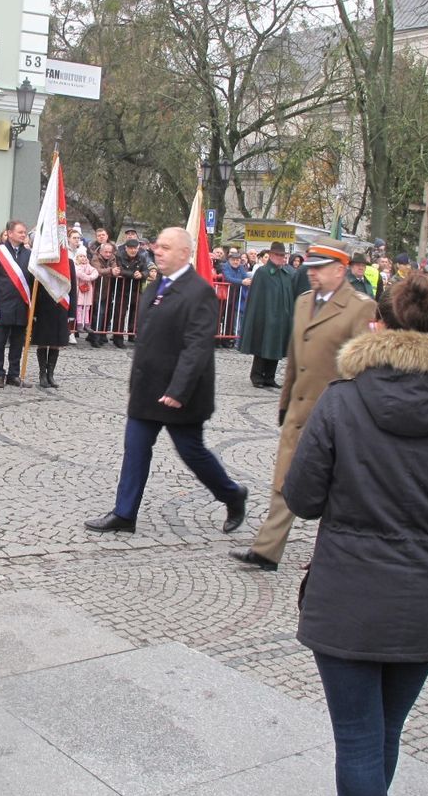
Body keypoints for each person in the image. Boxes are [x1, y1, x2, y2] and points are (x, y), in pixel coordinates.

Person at [284, 274, 428, 796]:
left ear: (378, 328)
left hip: (347, 592)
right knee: (382, 735)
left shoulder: (342, 402)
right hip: (423, 596)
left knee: (360, 740)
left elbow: (304, 497)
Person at [84, 227, 249, 535]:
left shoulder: (199, 292)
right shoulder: (156, 285)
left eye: (166, 247)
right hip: (148, 391)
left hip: (181, 394)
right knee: (135, 448)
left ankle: (232, 494)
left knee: (192, 453)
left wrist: (178, 390)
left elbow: (196, 347)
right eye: (157, 246)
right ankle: (124, 513)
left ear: (184, 254)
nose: (157, 251)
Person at [232, 239, 377, 571]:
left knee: (338, 491)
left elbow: (364, 368)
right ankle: (267, 550)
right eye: (310, 267)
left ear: (340, 270)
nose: (312, 274)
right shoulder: (303, 302)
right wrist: (285, 403)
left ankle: (332, 557)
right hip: (299, 411)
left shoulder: (360, 308)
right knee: (285, 481)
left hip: (337, 418)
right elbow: (296, 359)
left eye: (320, 268)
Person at [237, 241, 296, 388]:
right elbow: (256, 298)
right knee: (262, 346)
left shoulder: (286, 274)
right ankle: (256, 376)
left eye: (282, 255)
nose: (280, 258)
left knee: (276, 348)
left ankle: (270, 377)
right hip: (265, 316)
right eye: (277, 255)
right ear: (270, 255)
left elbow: (289, 296)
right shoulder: (263, 273)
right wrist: (260, 316)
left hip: (281, 318)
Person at [0, 220, 34, 388]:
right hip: (2, 305)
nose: (23, 235)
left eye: (25, 232)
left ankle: (14, 374)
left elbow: (32, 281)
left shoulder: (28, 254)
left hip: (21, 306)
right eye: (20, 232)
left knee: (17, 343)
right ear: (10, 233)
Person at [31, 254, 76, 389]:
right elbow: (36, 286)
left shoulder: (69, 262)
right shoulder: (42, 259)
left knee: (56, 342)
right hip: (43, 306)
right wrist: (34, 311)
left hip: (61, 306)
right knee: (43, 341)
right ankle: (42, 374)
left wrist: (72, 311)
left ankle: (50, 374)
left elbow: (72, 287)